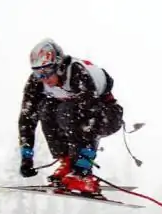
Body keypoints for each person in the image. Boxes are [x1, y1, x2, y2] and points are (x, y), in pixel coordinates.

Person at [17, 38, 124, 196]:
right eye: (38, 73)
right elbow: (27, 118)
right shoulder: (37, 82)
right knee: (46, 108)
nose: (44, 78)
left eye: (47, 72)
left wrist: (82, 163)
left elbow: (90, 117)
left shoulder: (75, 73)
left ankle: (82, 171)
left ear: (59, 66)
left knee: (68, 110)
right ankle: (66, 161)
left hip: (107, 114)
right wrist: (26, 156)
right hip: (77, 114)